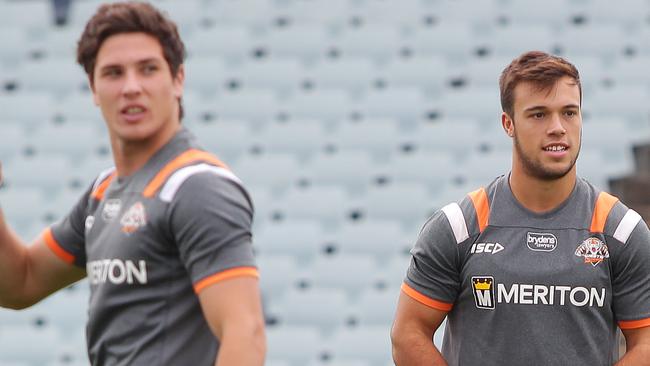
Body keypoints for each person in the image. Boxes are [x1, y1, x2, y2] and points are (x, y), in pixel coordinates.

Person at [0, 2, 266, 365]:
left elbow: (245, 334)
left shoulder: (196, 187)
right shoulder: (102, 192)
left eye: (148, 69)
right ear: (93, 88)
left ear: (177, 80)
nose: (131, 87)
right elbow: (21, 284)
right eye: (113, 73)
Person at [390, 51, 650, 365]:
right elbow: (407, 333)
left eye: (569, 112)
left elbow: (645, 342)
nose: (558, 127)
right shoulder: (458, 227)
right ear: (508, 123)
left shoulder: (621, 230)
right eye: (539, 114)